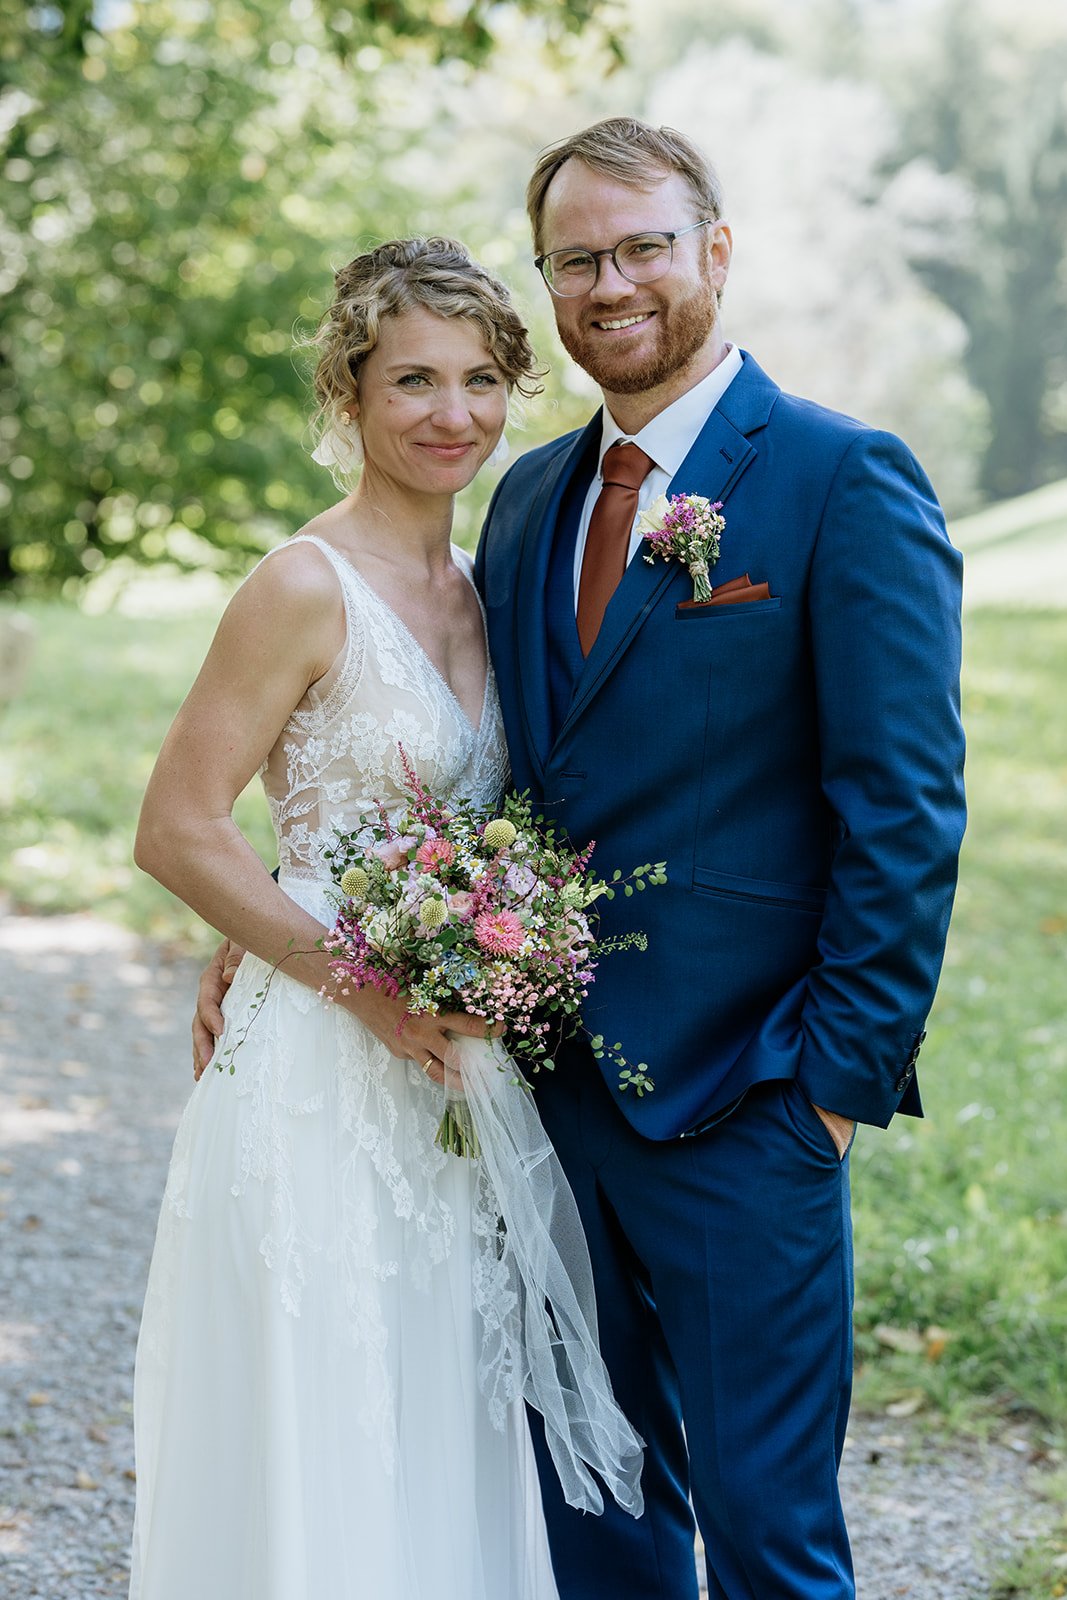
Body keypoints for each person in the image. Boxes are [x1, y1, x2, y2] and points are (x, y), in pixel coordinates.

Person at [196, 120, 967, 1599]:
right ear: (548, 281)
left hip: (752, 1102)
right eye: (576, 260)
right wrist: (290, 917)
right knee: (593, 1532)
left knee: (770, 1541)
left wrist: (831, 1096)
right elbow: (493, 776)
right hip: (534, 1103)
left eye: (644, 247)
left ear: (715, 252)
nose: (611, 282)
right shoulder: (532, 497)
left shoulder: (839, 479)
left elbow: (906, 810)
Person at [130, 236, 643, 1600]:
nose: (451, 413)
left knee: (446, 1413)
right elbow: (178, 825)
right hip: (323, 1069)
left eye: (481, 379)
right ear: (346, 393)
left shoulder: (492, 586)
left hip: (456, 1073)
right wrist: (353, 982)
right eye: (411, 379)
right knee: (329, 1414)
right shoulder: (302, 586)